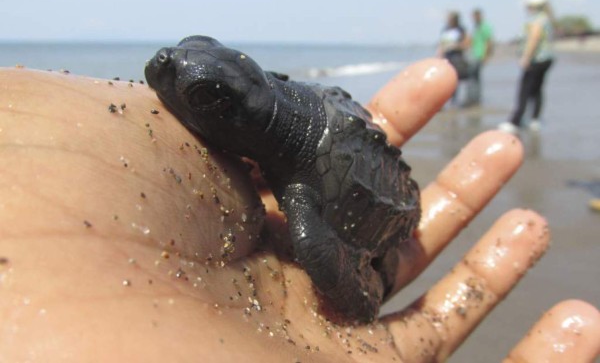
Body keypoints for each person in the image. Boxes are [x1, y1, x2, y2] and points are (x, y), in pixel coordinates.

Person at [1, 63, 599, 362]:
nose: (167, 64)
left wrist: (360, 294)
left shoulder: (300, 192)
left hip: (388, 214)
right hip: (340, 142)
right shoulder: (295, 100)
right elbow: (338, 104)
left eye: (206, 96)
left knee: (319, 252)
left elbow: (316, 245)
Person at [499, 0, 555, 134]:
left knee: (524, 90)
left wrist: (526, 57)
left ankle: (515, 121)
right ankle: (534, 119)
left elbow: (533, 39)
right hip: (547, 59)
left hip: (536, 60)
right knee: (537, 90)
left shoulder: (537, 19)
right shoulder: (547, 17)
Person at [437, 11, 470, 105]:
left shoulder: (461, 30)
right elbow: (441, 44)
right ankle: (446, 100)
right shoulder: (445, 30)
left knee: (455, 79)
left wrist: (456, 46)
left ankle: (455, 100)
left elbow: (466, 43)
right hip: (447, 57)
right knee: (444, 80)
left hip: (457, 57)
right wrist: (439, 55)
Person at [466, 8, 494, 105]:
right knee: (473, 77)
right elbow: (471, 40)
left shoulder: (485, 26)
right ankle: (474, 98)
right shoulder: (475, 27)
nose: (473, 18)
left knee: (473, 78)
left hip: (479, 55)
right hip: (473, 55)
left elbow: (489, 41)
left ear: (479, 16)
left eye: (475, 16)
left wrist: (486, 56)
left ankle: (474, 99)